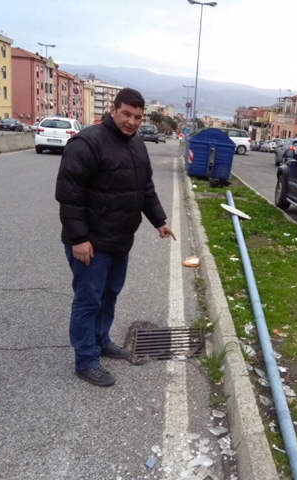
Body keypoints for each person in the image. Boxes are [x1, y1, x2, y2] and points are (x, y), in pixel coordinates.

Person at [55, 87, 176, 387]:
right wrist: (79, 239)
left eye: (137, 116)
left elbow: (144, 189)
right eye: (127, 114)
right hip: (91, 245)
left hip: (120, 241)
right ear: (113, 110)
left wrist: (159, 221)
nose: (132, 122)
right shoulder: (87, 143)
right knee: (88, 301)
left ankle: (101, 340)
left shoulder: (136, 146)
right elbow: (69, 197)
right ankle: (86, 360)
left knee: (109, 295)